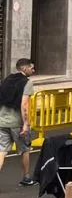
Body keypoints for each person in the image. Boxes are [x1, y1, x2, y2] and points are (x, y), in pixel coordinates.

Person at [0, 58, 36, 186]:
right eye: (31, 68)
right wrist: (26, 123)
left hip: (2, 121)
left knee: (1, 151)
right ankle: (26, 177)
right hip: (17, 123)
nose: (33, 70)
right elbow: (24, 104)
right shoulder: (26, 83)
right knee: (25, 149)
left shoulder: (6, 80)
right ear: (24, 68)